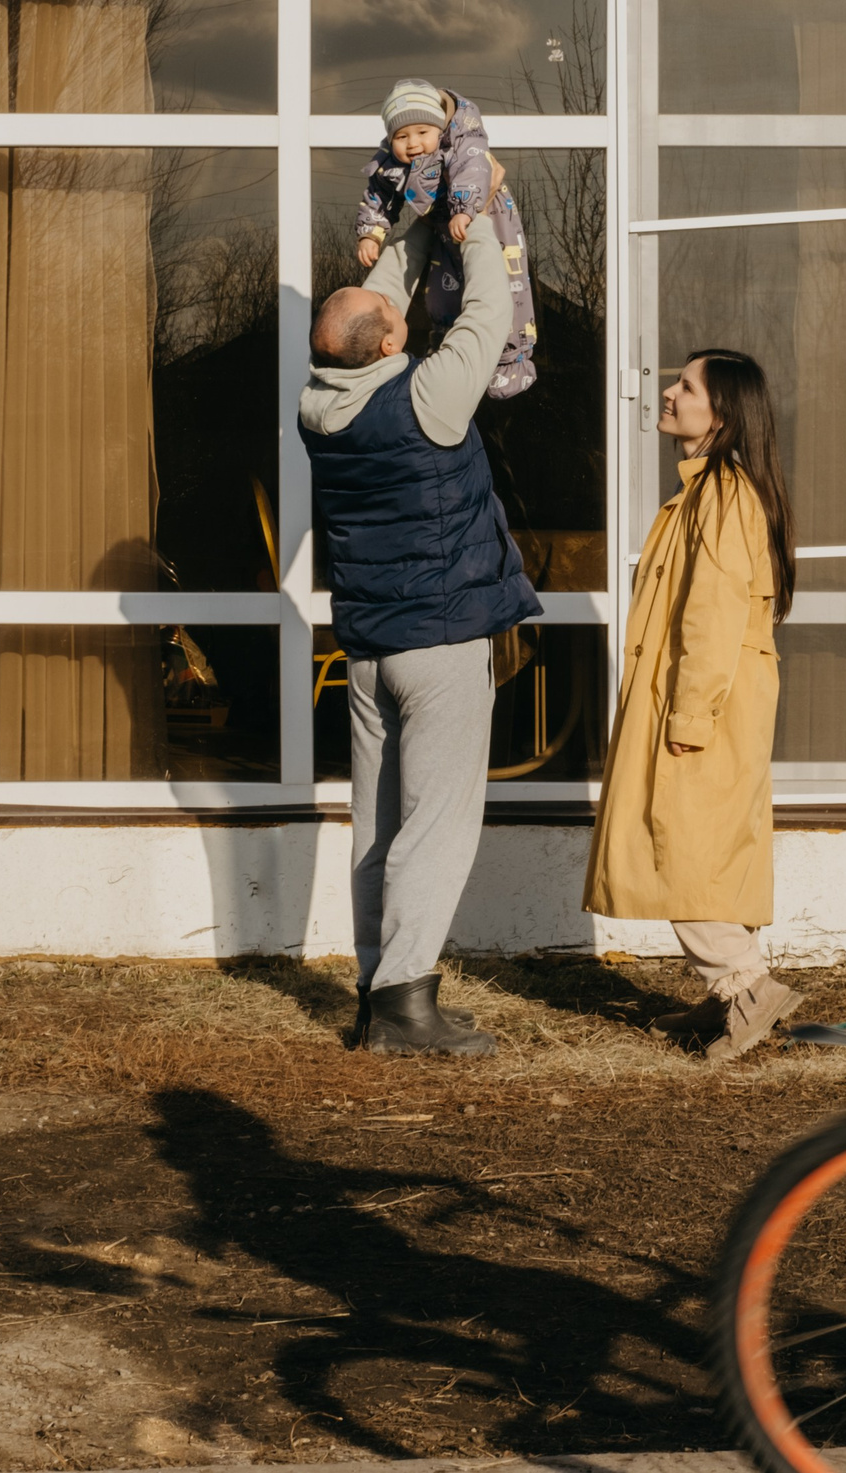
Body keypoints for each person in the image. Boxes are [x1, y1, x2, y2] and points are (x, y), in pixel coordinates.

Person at [299, 202, 541, 1057]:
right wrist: (469, 214)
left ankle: (377, 992)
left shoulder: (318, 406)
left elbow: (370, 305)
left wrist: (411, 212)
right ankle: (406, 1006)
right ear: (394, 345)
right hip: (438, 645)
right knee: (436, 826)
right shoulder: (429, 398)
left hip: (368, 650)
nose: (398, 306)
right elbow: (489, 309)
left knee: (379, 826)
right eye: (397, 319)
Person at [584, 350, 799, 1062]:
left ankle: (746, 988)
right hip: (711, 698)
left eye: (686, 386)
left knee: (685, 850)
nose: (669, 393)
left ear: (723, 414)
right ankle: (730, 998)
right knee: (710, 848)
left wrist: (689, 718)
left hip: (705, 703)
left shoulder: (721, 496)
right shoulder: (712, 490)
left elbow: (709, 614)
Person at [353, 78, 537, 400]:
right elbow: (379, 192)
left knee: (499, 284)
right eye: (401, 136)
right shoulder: (393, 159)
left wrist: (466, 209)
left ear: (439, 129)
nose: (412, 144)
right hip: (442, 227)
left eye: (422, 133)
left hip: (487, 215)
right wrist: (370, 232)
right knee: (443, 290)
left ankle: (511, 361)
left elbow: (474, 167)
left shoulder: (461, 137)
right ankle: (448, 349)